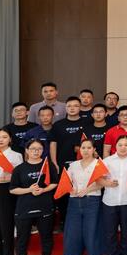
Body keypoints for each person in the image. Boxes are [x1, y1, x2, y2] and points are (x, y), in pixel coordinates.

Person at [10, 139, 58, 255]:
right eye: (32, 149)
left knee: (46, 236)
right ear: (27, 150)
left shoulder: (48, 165)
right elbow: (13, 189)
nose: (36, 151)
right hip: (24, 207)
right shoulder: (19, 169)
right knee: (22, 238)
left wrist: (43, 190)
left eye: (39, 149)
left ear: (43, 151)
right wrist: (29, 190)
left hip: (45, 206)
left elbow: (55, 183)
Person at [62, 139, 103, 255]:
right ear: (79, 150)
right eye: (83, 148)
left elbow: (102, 183)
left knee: (91, 229)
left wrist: (87, 190)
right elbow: (66, 181)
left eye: (89, 148)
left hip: (92, 200)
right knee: (73, 231)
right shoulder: (73, 165)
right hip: (74, 201)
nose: (86, 150)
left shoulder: (99, 164)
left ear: (94, 149)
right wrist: (71, 189)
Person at [99, 135, 127, 255]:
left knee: (126, 230)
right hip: (110, 200)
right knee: (110, 232)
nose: (123, 147)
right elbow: (98, 179)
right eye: (120, 145)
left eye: (126, 145)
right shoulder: (107, 161)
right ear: (115, 146)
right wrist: (108, 183)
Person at [49, 96, 88, 226]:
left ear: (80, 107)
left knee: (81, 189)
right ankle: (64, 220)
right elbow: (53, 144)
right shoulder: (58, 125)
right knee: (65, 192)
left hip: (82, 164)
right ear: (65, 108)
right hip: (62, 164)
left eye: (75, 106)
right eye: (69, 106)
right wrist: (54, 162)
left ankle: (82, 220)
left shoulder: (87, 123)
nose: (72, 108)